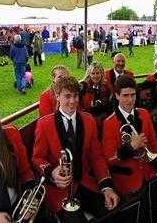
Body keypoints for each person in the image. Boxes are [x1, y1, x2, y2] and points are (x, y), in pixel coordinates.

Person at [32, 76, 120, 221]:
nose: (73, 101)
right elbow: (37, 157)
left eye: (75, 96)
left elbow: (97, 157)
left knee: (112, 213)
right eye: (67, 96)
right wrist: (51, 172)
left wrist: (107, 187)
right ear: (57, 97)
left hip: (85, 182)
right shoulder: (44, 124)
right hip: (60, 190)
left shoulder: (88, 120)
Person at [102, 75, 157, 198]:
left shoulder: (144, 113)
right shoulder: (109, 123)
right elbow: (109, 159)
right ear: (117, 95)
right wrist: (130, 147)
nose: (130, 100)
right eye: (125, 95)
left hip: (149, 172)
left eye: (133, 95)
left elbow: (153, 141)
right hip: (128, 181)